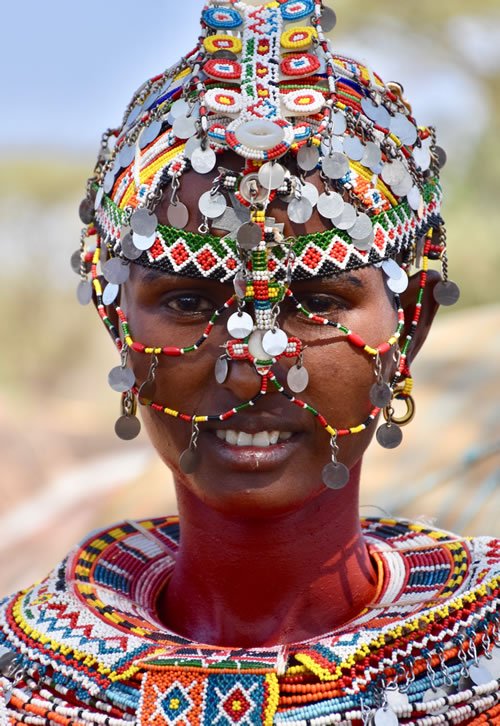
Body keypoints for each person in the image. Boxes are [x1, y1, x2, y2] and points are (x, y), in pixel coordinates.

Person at [1, 1, 498, 724]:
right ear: (120, 329)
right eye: (190, 303)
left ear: (410, 324)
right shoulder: (26, 686)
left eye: (319, 302)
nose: (250, 366)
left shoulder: (482, 657)